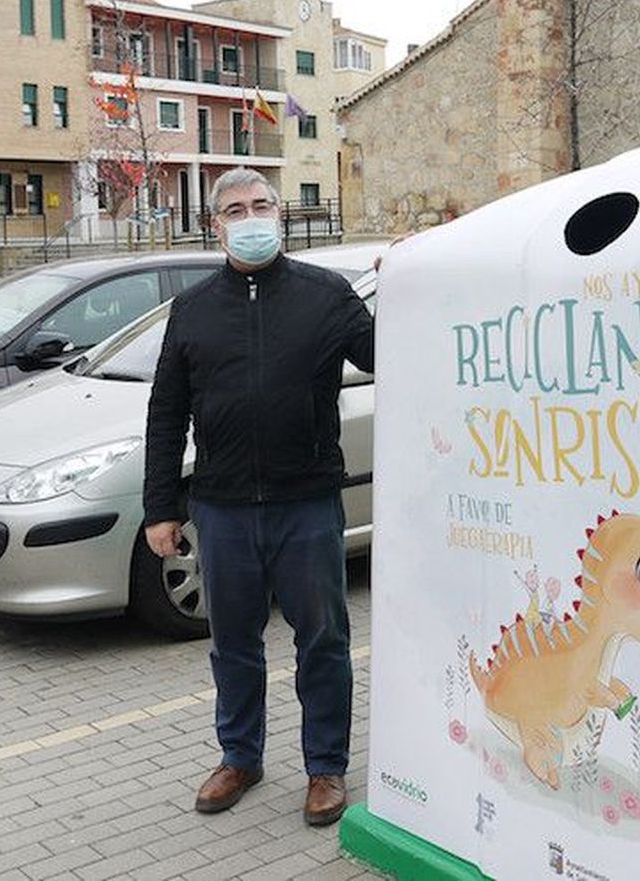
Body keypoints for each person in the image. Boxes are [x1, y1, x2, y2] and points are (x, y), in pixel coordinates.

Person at [144, 167, 374, 827]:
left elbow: (384, 352)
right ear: (215, 226)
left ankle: (325, 767)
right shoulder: (192, 309)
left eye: (261, 205)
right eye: (235, 210)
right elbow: (167, 412)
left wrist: (412, 286)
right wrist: (161, 508)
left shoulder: (325, 295)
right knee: (234, 644)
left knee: (322, 639)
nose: (250, 218)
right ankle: (239, 757)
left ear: (279, 214)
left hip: (307, 502)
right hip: (222, 508)